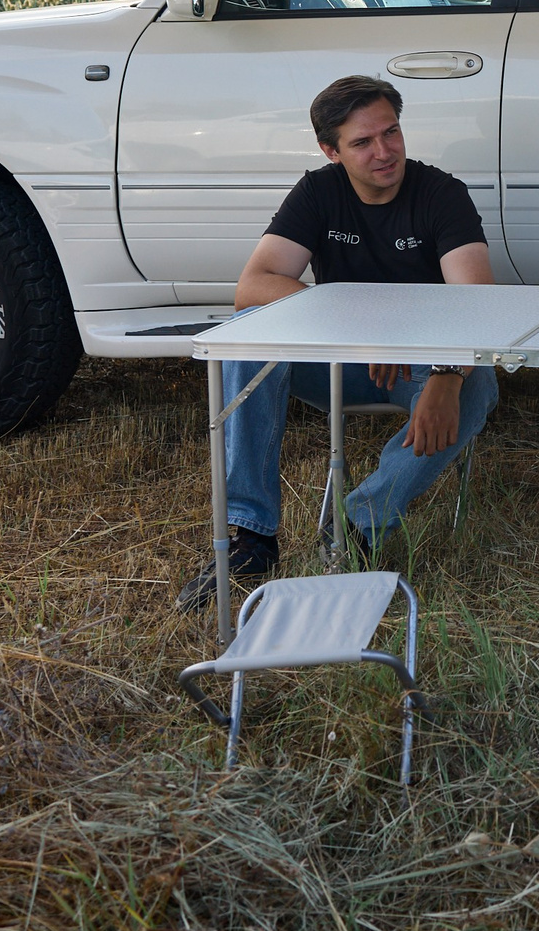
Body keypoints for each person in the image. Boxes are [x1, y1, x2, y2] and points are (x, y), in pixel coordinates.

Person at [178, 75, 498, 611]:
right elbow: (252, 287)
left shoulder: (441, 193)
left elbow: (480, 306)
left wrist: (445, 373)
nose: (384, 151)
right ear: (331, 151)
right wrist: (365, 330)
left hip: (423, 362)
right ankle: (251, 537)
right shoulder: (318, 191)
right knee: (246, 340)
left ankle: (356, 526)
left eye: (391, 133)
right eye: (362, 142)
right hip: (343, 356)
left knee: (478, 384)